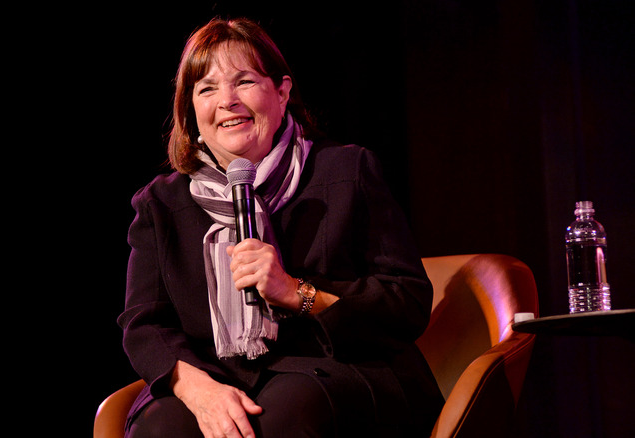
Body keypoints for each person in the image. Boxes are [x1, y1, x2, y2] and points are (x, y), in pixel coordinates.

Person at [118, 18, 444, 438]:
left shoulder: (346, 171)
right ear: (190, 111)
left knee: (284, 412)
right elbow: (143, 325)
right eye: (207, 89)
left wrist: (297, 292)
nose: (227, 101)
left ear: (282, 92)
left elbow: (407, 301)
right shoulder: (160, 204)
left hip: (337, 370)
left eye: (245, 82)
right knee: (161, 427)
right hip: (213, 375)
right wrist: (198, 390)